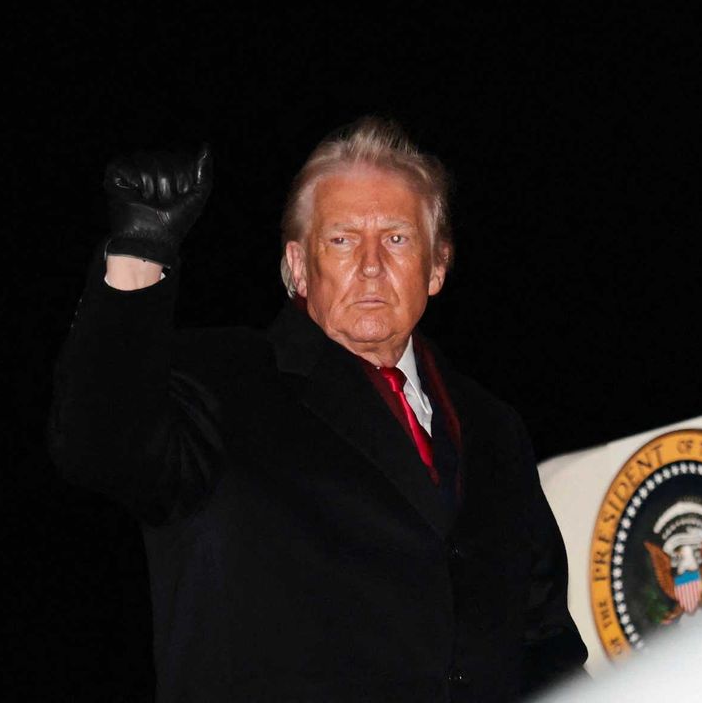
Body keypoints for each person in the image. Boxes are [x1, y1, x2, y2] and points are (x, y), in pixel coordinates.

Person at [48, 117, 588, 702]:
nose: (372, 264)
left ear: (437, 266)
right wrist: (141, 249)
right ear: (299, 267)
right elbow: (101, 442)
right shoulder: (226, 381)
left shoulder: (493, 428)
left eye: (397, 238)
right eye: (342, 240)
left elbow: (543, 640)